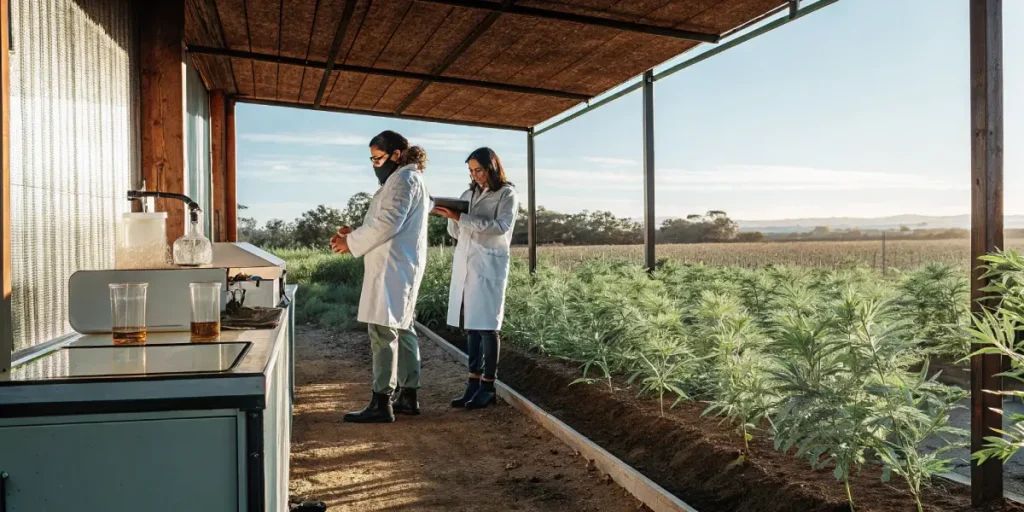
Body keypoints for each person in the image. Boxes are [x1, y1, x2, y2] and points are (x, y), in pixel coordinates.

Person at [331, 130, 430, 424]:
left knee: (382, 331)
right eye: (371, 159)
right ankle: (409, 395)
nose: (374, 164)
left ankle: (381, 401)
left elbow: (388, 222)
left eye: (378, 158)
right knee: (404, 326)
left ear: (396, 155)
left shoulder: (404, 179)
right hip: (399, 264)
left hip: (393, 266)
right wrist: (355, 234)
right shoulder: (405, 179)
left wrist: (351, 243)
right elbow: (382, 222)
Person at [432, 147, 518, 410]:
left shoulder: (507, 194)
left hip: (489, 264)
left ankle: (488, 386)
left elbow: (500, 228)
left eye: (478, 169)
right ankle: (472, 383)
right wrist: (451, 217)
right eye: (471, 170)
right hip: (467, 264)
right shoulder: (467, 194)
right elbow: (458, 233)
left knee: (488, 326)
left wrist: (463, 217)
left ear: (492, 166)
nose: (475, 175)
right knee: (471, 325)